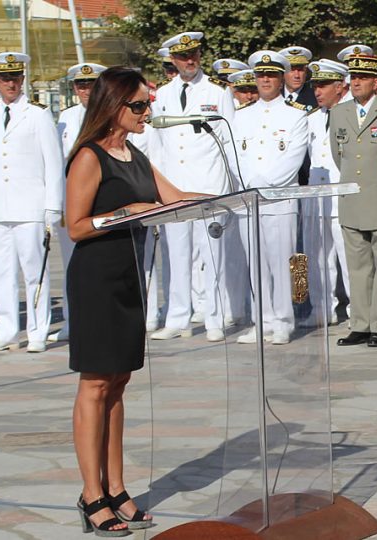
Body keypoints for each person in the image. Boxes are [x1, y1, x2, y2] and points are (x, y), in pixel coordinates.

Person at [66, 67, 201, 536]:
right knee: (96, 385)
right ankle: (90, 494)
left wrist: (239, 198)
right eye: (140, 105)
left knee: (119, 383)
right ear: (114, 107)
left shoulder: (135, 155)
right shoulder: (91, 156)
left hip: (130, 278)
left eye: (149, 103)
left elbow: (176, 198)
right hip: (97, 280)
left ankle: (117, 488)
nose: (148, 112)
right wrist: (125, 212)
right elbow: (77, 226)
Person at [148, 31, 235, 343]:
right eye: (183, 56)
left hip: (208, 186)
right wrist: (158, 191)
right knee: (177, 256)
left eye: (194, 54)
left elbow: (228, 141)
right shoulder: (161, 96)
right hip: (174, 187)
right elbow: (156, 145)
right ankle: (177, 317)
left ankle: (214, 318)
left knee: (212, 257)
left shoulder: (218, 93)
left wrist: (227, 190)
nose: (189, 60)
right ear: (172, 59)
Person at [0, 52, 62, 353]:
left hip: (30, 206)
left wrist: (53, 205)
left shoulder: (38, 114)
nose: (10, 84)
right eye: (4, 78)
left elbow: (53, 162)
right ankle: (6, 328)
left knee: (33, 270)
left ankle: (37, 330)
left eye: (15, 77)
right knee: (0, 270)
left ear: (23, 78)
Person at [231, 51, 310, 345]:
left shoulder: (295, 115)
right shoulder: (241, 116)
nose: (265, 80)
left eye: (272, 75)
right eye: (261, 75)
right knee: (256, 265)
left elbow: (293, 157)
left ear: (281, 79)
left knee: (283, 264)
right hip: (248, 201)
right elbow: (233, 155)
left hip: (279, 201)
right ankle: (261, 320)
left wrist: (263, 184)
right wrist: (249, 184)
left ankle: (284, 320)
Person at [330, 54, 377, 348]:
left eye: (362, 78)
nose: (356, 83)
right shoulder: (339, 112)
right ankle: (359, 323)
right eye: (353, 78)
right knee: (357, 267)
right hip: (351, 200)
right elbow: (339, 155)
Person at [46, 62, 107, 345]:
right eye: (81, 85)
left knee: (102, 265)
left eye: (92, 84)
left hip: (100, 200)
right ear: (74, 88)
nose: (86, 90)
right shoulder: (64, 119)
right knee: (72, 266)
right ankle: (73, 321)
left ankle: (101, 320)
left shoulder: (110, 116)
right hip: (71, 201)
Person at [304, 59, 351, 325]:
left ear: (339, 86)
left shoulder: (351, 114)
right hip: (316, 198)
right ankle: (321, 309)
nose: (317, 91)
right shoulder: (310, 119)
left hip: (342, 197)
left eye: (323, 85)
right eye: (315, 86)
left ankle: (358, 311)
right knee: (317, 259)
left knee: (348, 260)